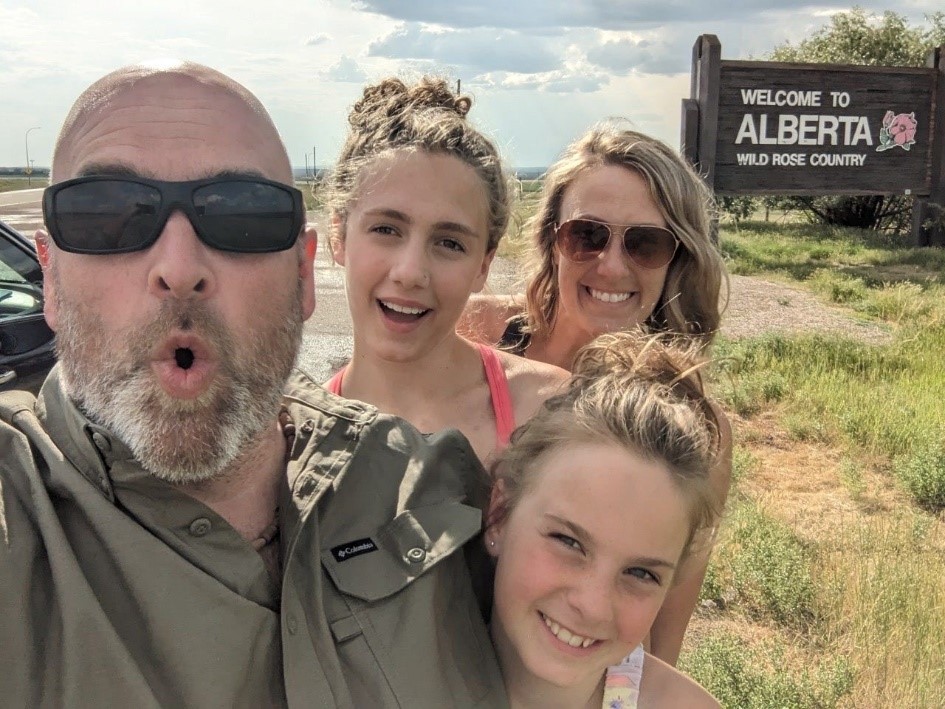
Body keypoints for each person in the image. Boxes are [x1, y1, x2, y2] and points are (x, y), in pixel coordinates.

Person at [0, 62, 507, 707]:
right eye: (107, 215)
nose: (179, 269)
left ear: (301, 274)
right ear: (50, 279)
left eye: (240, 216)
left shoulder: (430, 487)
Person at [461, 124, 732, 665]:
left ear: (678, 259)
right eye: (586, 235)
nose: (611, 265)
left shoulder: (693, 428)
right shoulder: (478, 333)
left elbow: (657, 642)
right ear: (551, 240)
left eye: (645, 243)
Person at [323, 77, 567, 463]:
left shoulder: (548, 413)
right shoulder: (296, 440)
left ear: (483, 266)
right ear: (338, 235)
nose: (410, 272)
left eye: (449, 243)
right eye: (386, 229)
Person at [485, 331, 722, 708]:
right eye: (568, 542)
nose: (592, 605)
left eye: (642, 574)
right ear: (499, 515)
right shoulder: (386, 666)